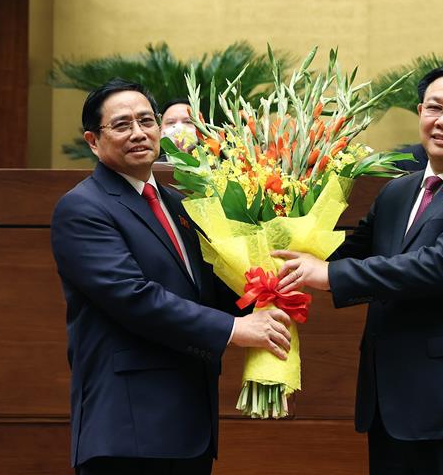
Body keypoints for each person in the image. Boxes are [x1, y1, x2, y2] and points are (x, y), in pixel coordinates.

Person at [274, 64, 443, 475]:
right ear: (420, 112)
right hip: (390, 405)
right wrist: (270, 232)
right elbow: (344, 252)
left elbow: (441, 266)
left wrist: (330, 277)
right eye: (434, 108)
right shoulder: (398, 190)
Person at [51, 78, 292, 475]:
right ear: (93, 141)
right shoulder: (82, 208)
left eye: (146, 120)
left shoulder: (179, 204)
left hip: (188, 422)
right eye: (122, 124)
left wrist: (270, 288)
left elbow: (207, 289)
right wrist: (235, 329)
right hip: (127, 427)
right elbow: (134, 297)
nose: (138, 133)